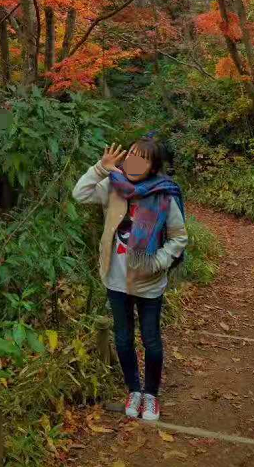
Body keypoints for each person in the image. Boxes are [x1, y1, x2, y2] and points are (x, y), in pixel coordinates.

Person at [72, 134, 187, 422]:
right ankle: (133, 390)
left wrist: (157, 262)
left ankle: (150, 396)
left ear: (153, 167)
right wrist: (101, 167)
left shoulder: (163, 194)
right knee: (123, 339)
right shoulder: (113, 186)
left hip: (148, 281)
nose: (135, 161)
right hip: (116, 278)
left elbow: (178, 237)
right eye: (132, 154)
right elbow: (79, 194)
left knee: (151, 340)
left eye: (143, 158)